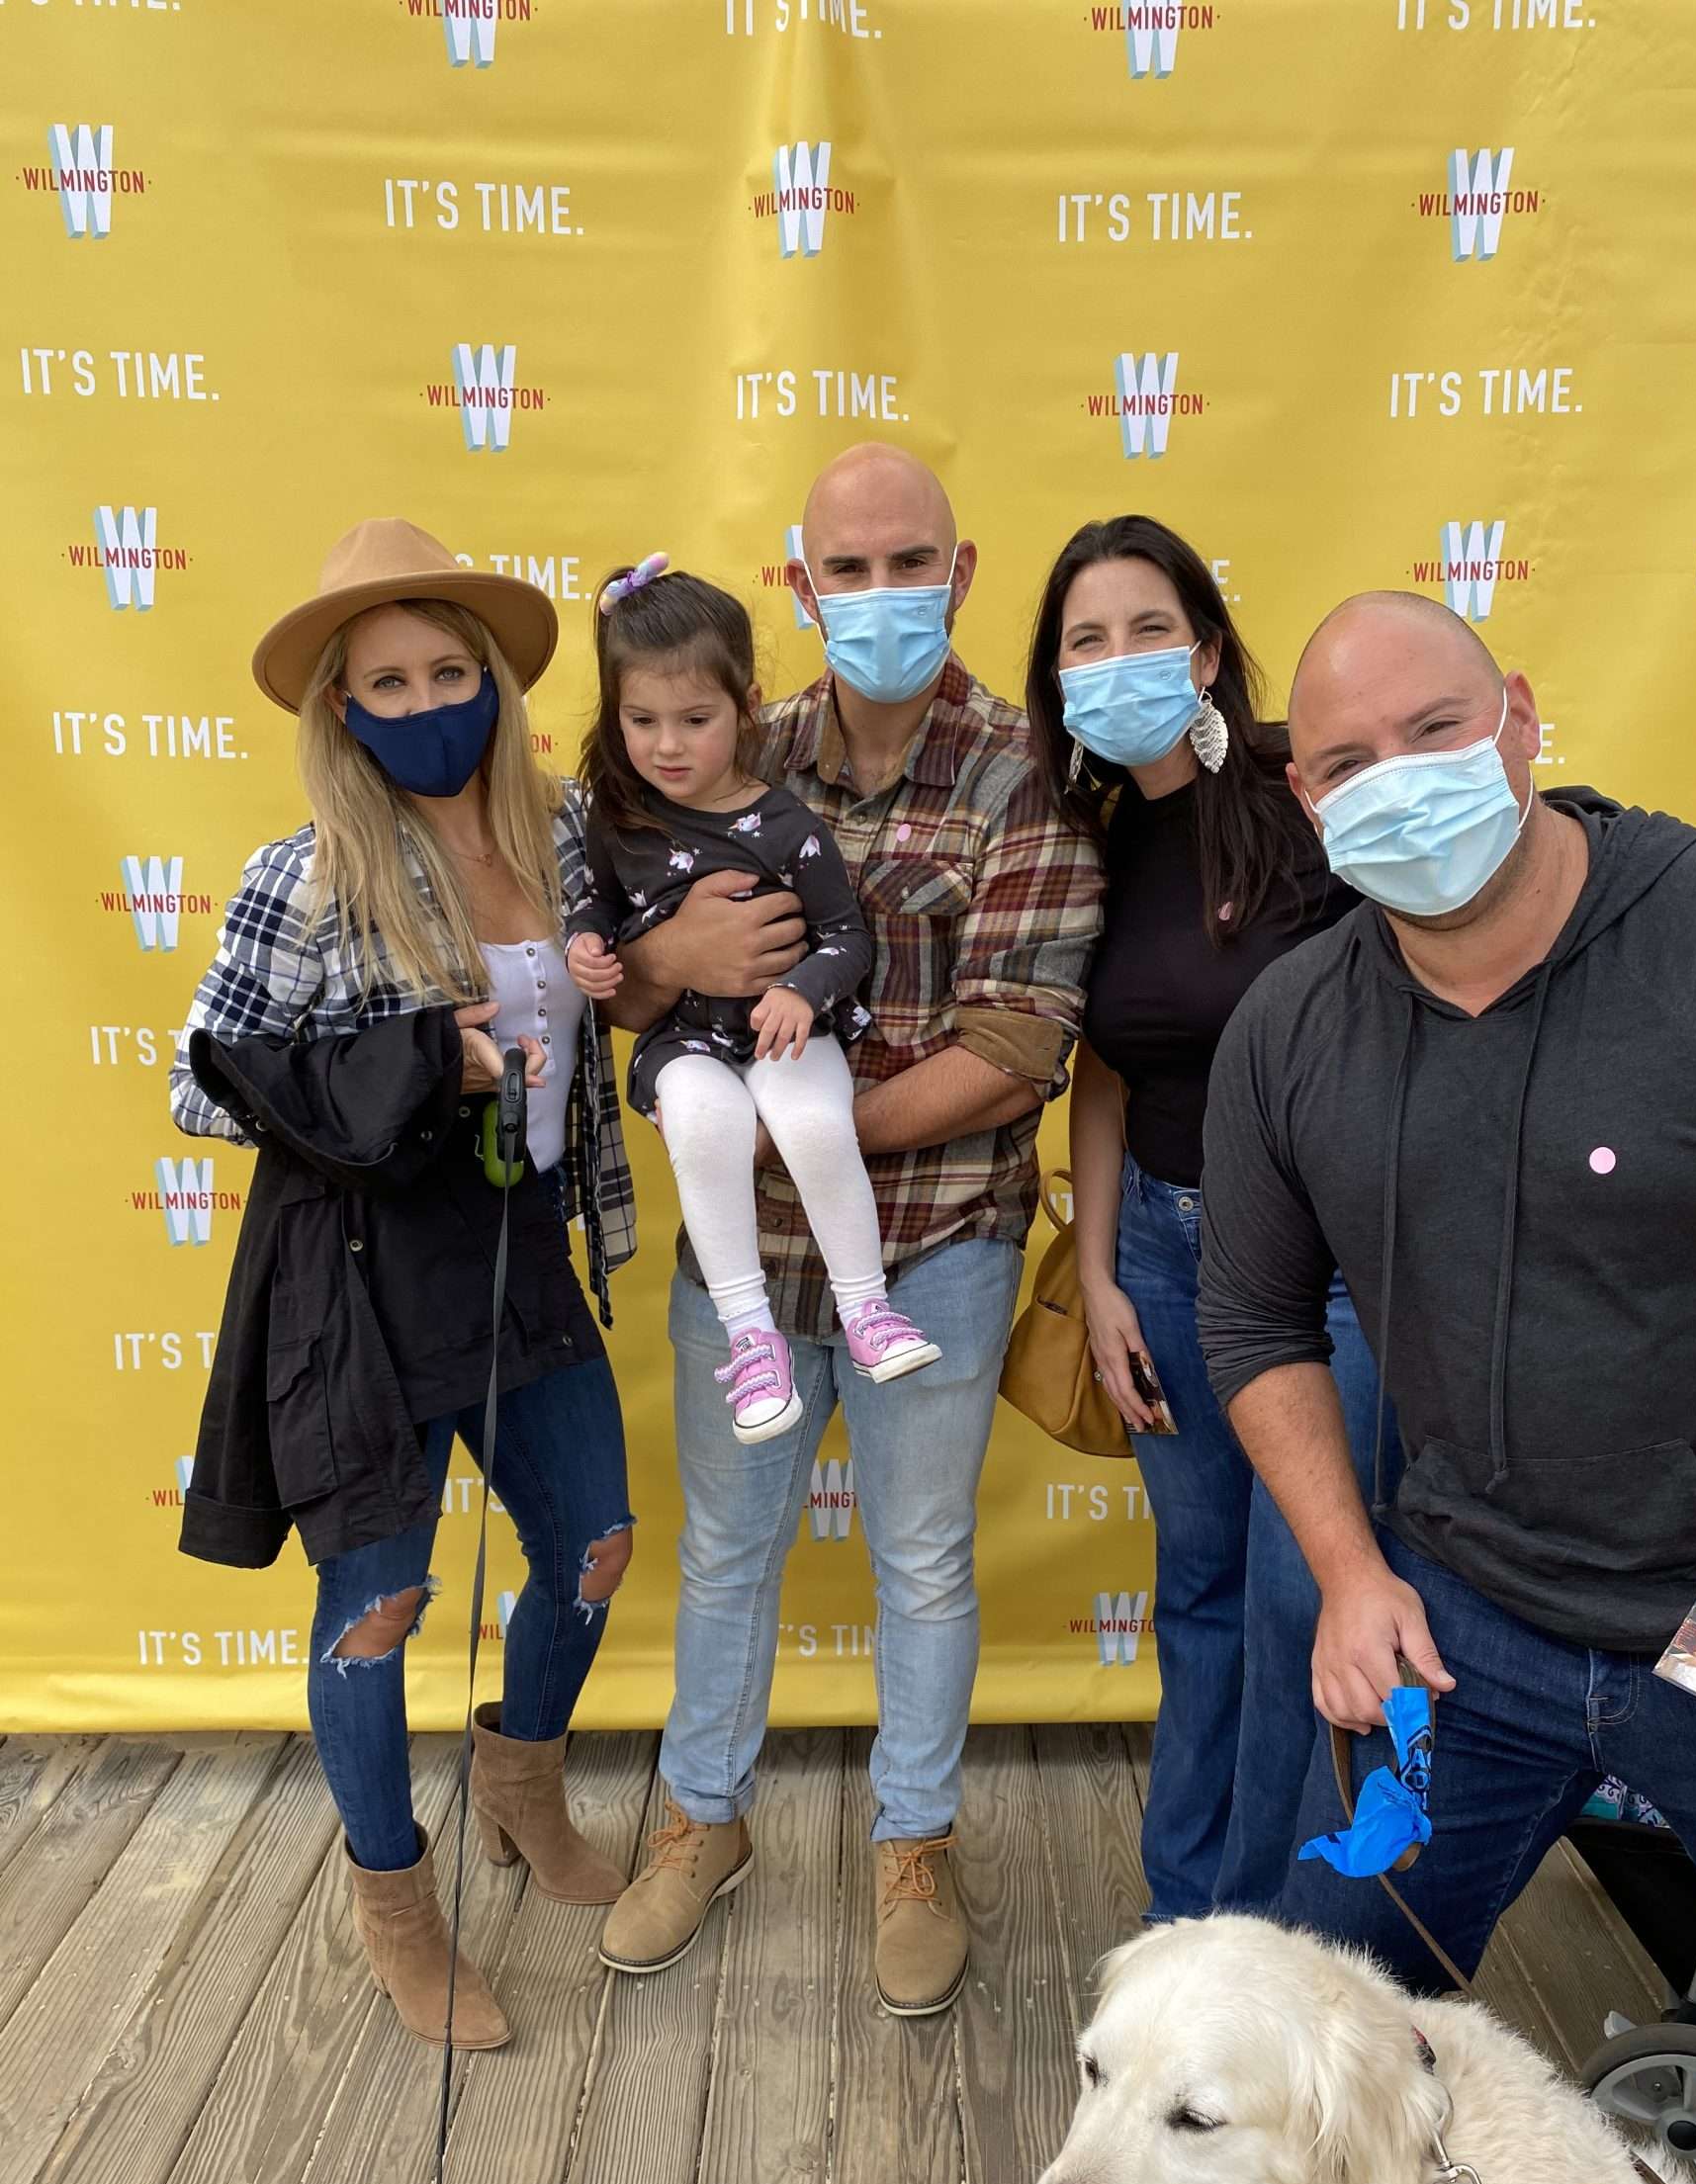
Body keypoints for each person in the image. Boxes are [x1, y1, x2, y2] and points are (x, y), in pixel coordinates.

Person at [1197, 587, 1696, 2184]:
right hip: (1473, 1633)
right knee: (1329, 1983)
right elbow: (1256, 1320)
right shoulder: (1292, 1027)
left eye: (1433, 733)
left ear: (1520, 713)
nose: (1397, 785)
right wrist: (1349, 1574)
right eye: (1344, 762)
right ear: (1300, 796)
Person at [597, 444, 1104, 2017]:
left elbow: (1016, 1042)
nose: (878, 595)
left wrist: (798, 1123)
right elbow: (632, 990)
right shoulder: (727, 748)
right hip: (736, 1267)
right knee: (730, 1553)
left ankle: (916, 1841)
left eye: (910, 565)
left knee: (927, 1565)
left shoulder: (1027, 772)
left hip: (938, 1253)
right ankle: (699, 1821)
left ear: (958, 574)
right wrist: (668, 964)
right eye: (848, 568)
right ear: (799, 584)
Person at [171, 520, 639, 2053]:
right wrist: (422, 1057)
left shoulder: (566, 837)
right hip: (365, 1285)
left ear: (495, 687)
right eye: (390, 679)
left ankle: (520, 1774)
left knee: (592, 1542)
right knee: (376, 1608)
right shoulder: (304, 878)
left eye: (451, 670)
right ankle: (393, 1899)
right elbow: (201, 1084)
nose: (427, 697)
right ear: (344, 710)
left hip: (523, 1249)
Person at [1021, 515, 1384, 1922]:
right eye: (1086, 643)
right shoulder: (1084, 843)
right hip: (1165, 1255)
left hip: (1323, 1270)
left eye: (1148, 629)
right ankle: (1186, 1916)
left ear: (1211, 650)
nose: (1120, 664)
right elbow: (1108, 1066)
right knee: (1204, 1594)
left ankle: (1283, 1932)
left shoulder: (1310, 802)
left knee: (1311, 1599)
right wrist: (1102, 1276)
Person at [567, 553, 938, 1445]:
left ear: (747, 706)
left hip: (783, 1034)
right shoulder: (617, 819)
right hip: (685, 1045)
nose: (665, 745)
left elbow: (848, 939)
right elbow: (601, 905)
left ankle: (869, 1310)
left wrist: (802, 995)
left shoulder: (787, 825)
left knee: (814, 1125)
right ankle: (750, 1338)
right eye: (641, 720)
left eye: (695, 720)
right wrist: (587, 945)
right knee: (701, 1128)